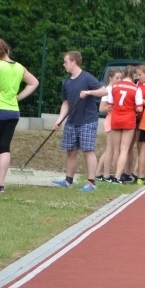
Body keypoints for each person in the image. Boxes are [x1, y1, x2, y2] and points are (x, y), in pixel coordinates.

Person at [0, 38, 39, 192]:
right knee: (4, 147)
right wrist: (18, 97)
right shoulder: (19, 67)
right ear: (8, 51)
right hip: (13, 111)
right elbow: (34, 82)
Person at [52, 51, 108, 191]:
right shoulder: (66, 82)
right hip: (72, 121)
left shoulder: (87, 77)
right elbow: (65, 103)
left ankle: (91, 182)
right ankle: (68, 181)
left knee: (88, 150)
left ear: (73, 62)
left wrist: (89, 92)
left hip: (87, 120)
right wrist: (59, 120)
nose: (64, 64)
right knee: (71, 151)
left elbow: (104, 91)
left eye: (65, 62)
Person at [107, 65, 142, 183]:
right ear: (133, 75)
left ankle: (116, 174)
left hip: (116, 118)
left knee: (116, 149)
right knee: (124, 149)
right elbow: (139, 108)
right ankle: (118, 176)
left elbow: (110, 104)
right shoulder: (136, 88)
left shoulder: (114, 86)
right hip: (128, 119)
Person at [95, 68, 123, 183]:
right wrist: (112, 107)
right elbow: (102, 108)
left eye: (121, 77)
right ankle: (106, 175)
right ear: (110, 78)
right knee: (110, 149)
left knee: (110, 149)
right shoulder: (108, 90)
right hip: (111, 120)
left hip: (115, 120)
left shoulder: (118, 89)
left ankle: (98, 172)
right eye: (117, 78)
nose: (120, 80)